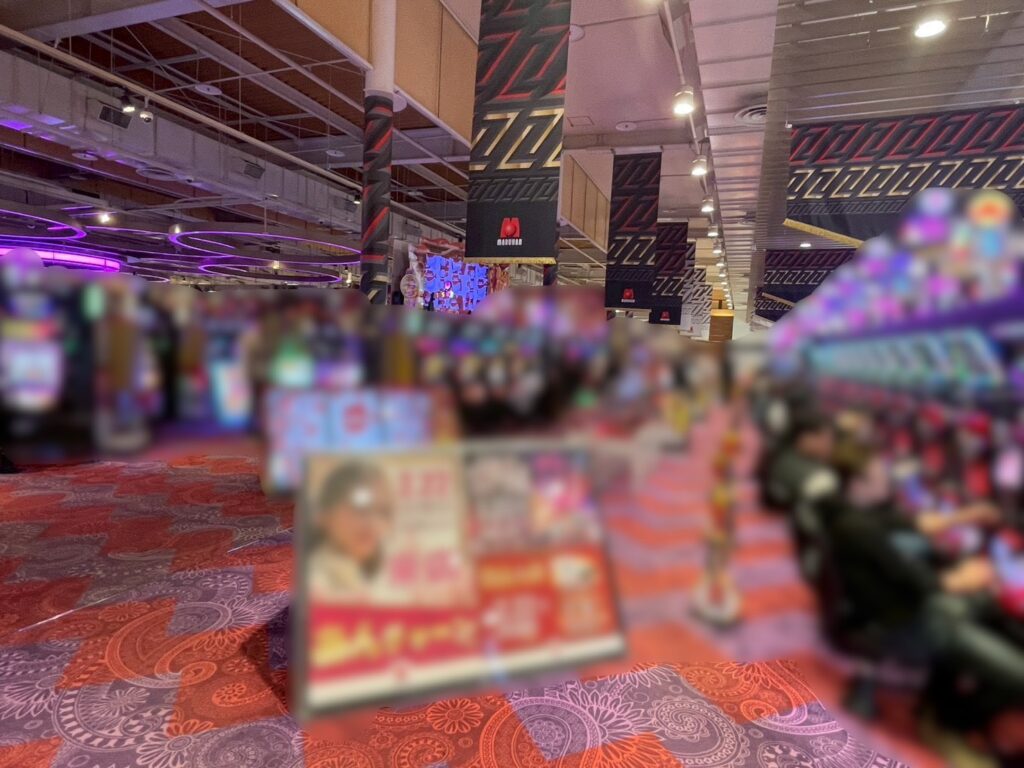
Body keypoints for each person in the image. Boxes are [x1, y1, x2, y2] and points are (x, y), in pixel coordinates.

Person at [309, 462, 396, 601]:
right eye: (360, 508)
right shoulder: (315, 584)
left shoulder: (389, 576)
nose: (373, 523)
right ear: (325, 515)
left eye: (383, 512)